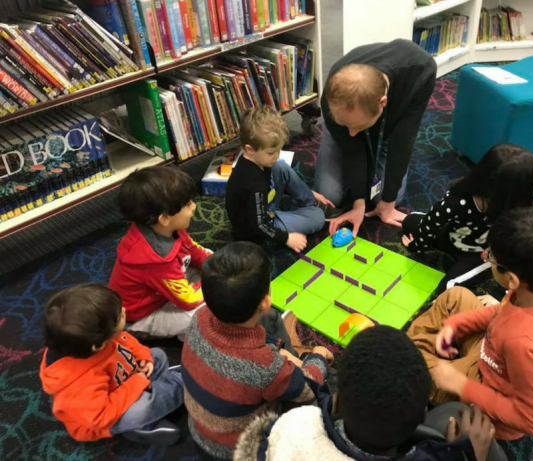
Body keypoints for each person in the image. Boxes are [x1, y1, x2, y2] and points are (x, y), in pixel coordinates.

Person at [408, 208, 533, 440]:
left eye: (490, 256)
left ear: (512, 279)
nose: (485, 257)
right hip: (492, 354)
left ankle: (413, 363)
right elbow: (501, 312)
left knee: (408, 364)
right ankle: (425, 356)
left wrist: (461, 385)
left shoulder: (524, 345)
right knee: (456, 295)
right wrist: (455, 325)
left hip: (486, 392)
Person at [234, 326, 507, 461]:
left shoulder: (294, 423)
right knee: (459, 417)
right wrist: (466, 454)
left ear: (338, 400)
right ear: (418, 428)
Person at [182, 241, 334, 460]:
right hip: (241, 449)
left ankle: (287, 352)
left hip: (198, 427)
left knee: (271, 319)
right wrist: (318, 355)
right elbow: (310, 386)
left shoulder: (199, 317)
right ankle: (297, 355)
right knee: (316, 400)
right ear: (265, 300)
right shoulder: (266, 368)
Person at [316, 39, 437, 236]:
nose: (353, 134)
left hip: (391, 128)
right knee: (330, 195)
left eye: (358, 126)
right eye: (350, 126)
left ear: (383, 103)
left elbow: (403, 142)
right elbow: (351, 145)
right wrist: (358, 204)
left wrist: (387, 204)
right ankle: (351, 126)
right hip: (340, 123)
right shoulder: (333, 94)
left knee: (388, 198)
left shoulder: (421, 69)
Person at [39, 284, 184, 445]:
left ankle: (164, 388)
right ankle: (143, 424)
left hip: (126, 379)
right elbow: (102, 417)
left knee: (156, 355)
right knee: (139, 411)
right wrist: (137, 381)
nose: (124, 311)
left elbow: (124, 339)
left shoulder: (89, 338)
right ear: (99, 345)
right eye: (119, 317)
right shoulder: (78, 386)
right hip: (109, 414)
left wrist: (142, 357)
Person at [402, 144, 533, 294]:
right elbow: (431, 223)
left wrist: (501, 294)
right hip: (453, 237)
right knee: (409, 221)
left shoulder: (515, 211)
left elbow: (517, 251)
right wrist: (417, 245)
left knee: (449, 287)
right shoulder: (457, 199)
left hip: (483, 254)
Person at [108, 166, 213, 339]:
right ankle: (188, 335)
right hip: (143, 315)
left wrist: (218, 268)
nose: (194, 207)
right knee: (203, 311)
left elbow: (194, 251)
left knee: (212, 257)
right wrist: (220, 284)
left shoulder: (167, 227)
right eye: (187, 204)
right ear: (164, 218)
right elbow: (189, 301)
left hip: (164, 288)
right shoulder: (155, 260)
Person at [226, 105, 332, 253]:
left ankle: (309, 200)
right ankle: (302, 210)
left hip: (266, 206)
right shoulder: (254, 183)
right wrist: (287, 238)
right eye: (271, 153)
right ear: (250, 150)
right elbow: (260, 225)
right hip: (259, 228)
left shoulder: (256, 160)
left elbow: (275, 169)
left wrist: (310, 194)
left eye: (278, 150)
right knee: (318, 217)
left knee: (280, 167)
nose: (276, 156)